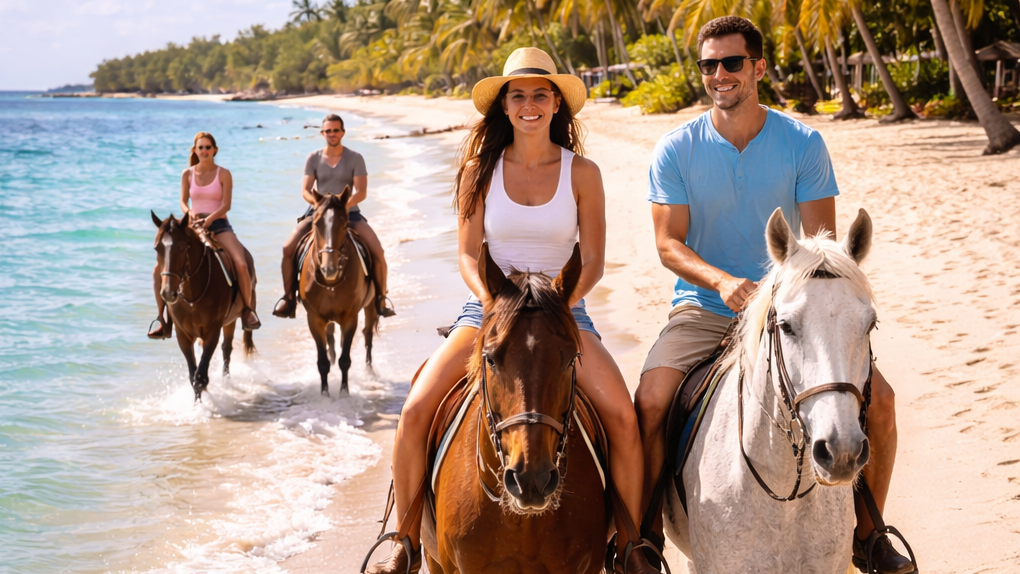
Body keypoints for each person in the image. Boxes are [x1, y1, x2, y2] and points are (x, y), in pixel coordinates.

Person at [633, 16, 913, 574]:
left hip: (791, 308)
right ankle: (641, 540)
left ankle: (868, 530)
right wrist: (721, 282)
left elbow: (820, 250)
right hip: (705, 309)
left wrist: (782, 292)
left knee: (879, 403)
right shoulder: (676, 148)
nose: (718, 75)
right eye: (708, 65)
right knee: (652, 401)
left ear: (757, 67)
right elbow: (668, 244)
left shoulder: (803, 142)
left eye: (731, 63)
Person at [364, 47, 657, 574]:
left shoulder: (582, 173)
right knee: (413, 412)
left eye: (539, 95)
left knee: (623, 419)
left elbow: (591, 260)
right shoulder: (479, 171)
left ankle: (630, 545)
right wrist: (491, 302)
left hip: (564, 312)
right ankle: (404, 541)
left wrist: (556, 307)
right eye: (517, 96)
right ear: (503, 107)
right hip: (486, 313)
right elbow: (465, 253)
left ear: (555, 106)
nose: (529, 105)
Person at [272, 114, 395, 319]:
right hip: (318, 215)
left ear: (343, 133)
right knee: (287, 248)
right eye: (328, 131)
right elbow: (305, 190)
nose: (332, 134)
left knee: (377, 251)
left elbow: (361, 192)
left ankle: (381, 297)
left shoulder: (355, 158)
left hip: (349, 214)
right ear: (323, 133)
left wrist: (341, 208)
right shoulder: (313, 158)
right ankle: (289, 298)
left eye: (336, 130)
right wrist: (319, 207)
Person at [148, 131, 261, 338]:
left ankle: (247, 311)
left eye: (208, 147)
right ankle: (162, 319)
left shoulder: (224, 173)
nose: (204, 151)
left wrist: (210, 219)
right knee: (159, 269)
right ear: (195, 150)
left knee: (241, 263)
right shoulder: (187, 174)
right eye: (200, 148)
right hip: (192, 225)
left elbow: (226, 204)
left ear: (214, 150)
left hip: (219, 224)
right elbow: (183, 201)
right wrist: (189, 213)